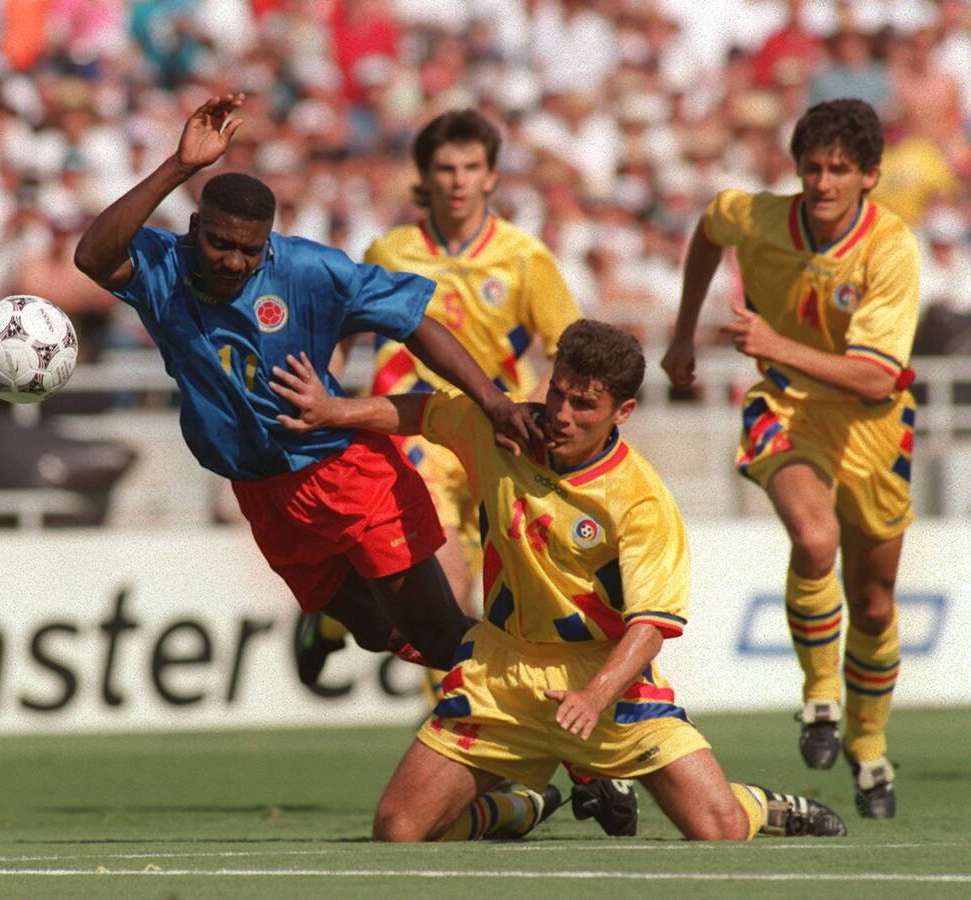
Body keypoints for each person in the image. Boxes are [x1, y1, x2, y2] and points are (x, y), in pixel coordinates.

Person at [269, 319, 847, 843]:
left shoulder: (640, 499)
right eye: (558, 394)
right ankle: (521, 806)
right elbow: (425, 412)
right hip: (500, 673)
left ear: (622, 412)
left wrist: (594, 698)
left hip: (603, 679)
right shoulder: (506, 430)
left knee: (717, 830)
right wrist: (335, 410)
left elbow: (651, 626)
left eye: (585, 405)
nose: (563, 415)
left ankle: (760, 805)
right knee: (398, 831)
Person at [73, 93, 536, 673]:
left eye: (250, 249)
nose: (235, 262)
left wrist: (492, 402)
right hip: (260, 491)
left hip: (343, 471)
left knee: (442, 639)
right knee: (371, 631)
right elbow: (92, 256)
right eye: (220, 244)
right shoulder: (163, 266)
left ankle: (564, 714)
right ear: (196, 227)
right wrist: (181, 166)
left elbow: (417, 321)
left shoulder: (310, 270)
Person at [660, 98, 918, 819]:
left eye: (840, 170)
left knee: (873, 603)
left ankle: (869, 749)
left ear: (869, 175)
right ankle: (821, 701)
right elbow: (710, 229)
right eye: (812, 168)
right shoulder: (759, 216)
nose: (824, 183)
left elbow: (875, 375)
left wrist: (773, 343)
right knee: (813, 538)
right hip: (786, 410)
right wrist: (683, 335)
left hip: (872, 426)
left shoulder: (890, 248)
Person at [295, 108, 581, 684]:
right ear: (425, 178)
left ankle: (333, 622)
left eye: (470, 167)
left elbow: (565, 352)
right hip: (412, 432)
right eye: (445, 168)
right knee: (443, 598)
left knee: (486, 599)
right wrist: (322, 395)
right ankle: (467, 753)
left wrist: (546, 418)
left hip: (496, 440)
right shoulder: (389, 251)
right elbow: (341, 335)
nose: (457, 181)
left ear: (491, 177)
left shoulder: (525, 258)